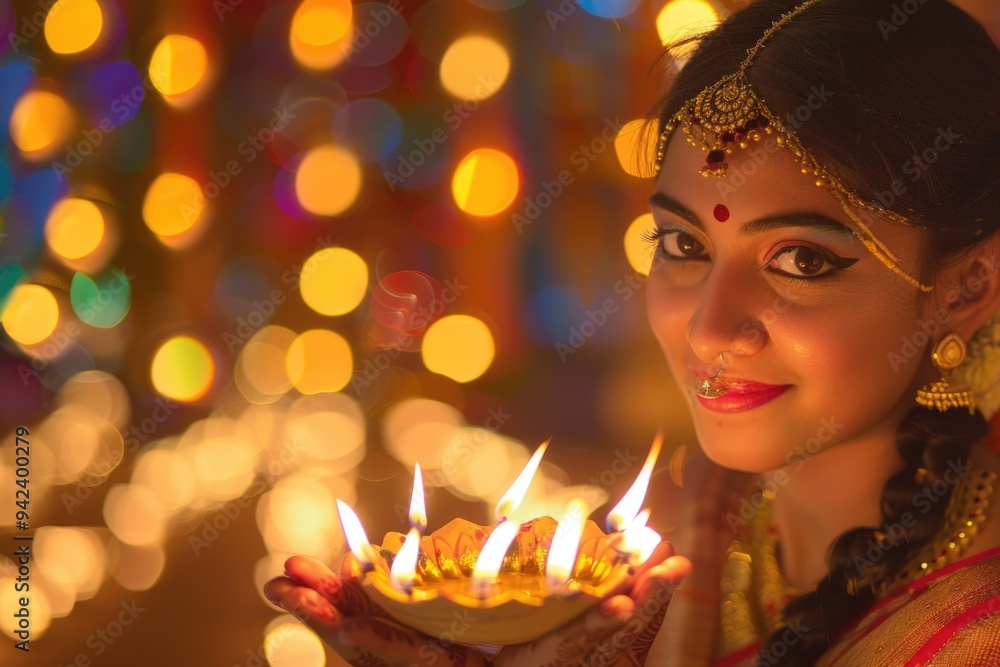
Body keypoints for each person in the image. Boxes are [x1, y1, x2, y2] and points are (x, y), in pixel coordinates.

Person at [264, 0, 1000, 664]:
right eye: (682, 245)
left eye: (801, 260)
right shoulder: (692, 538)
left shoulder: (972, 636)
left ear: (968, 287)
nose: (710, 329)